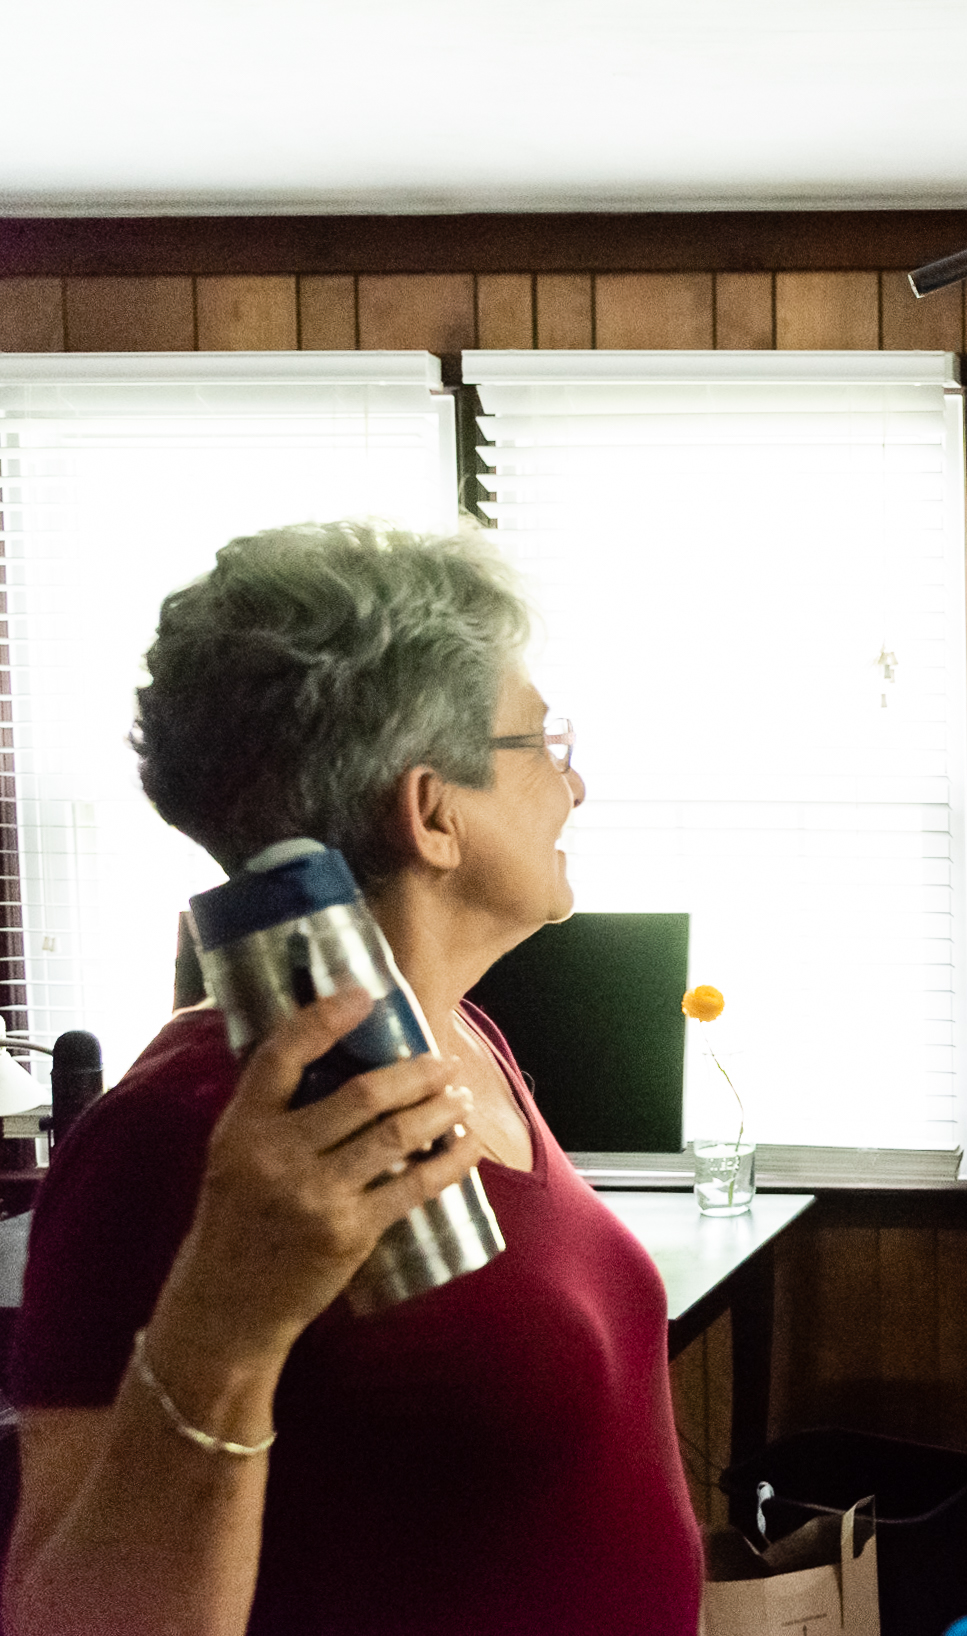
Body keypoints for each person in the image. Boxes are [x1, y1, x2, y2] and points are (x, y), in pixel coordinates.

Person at [3, 522, 701, 1635]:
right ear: (432, 811)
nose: (575, 781)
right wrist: (227, 1314)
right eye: (540, 741)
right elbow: (73, 1618)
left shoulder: (467, 1039)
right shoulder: (179, 1135)